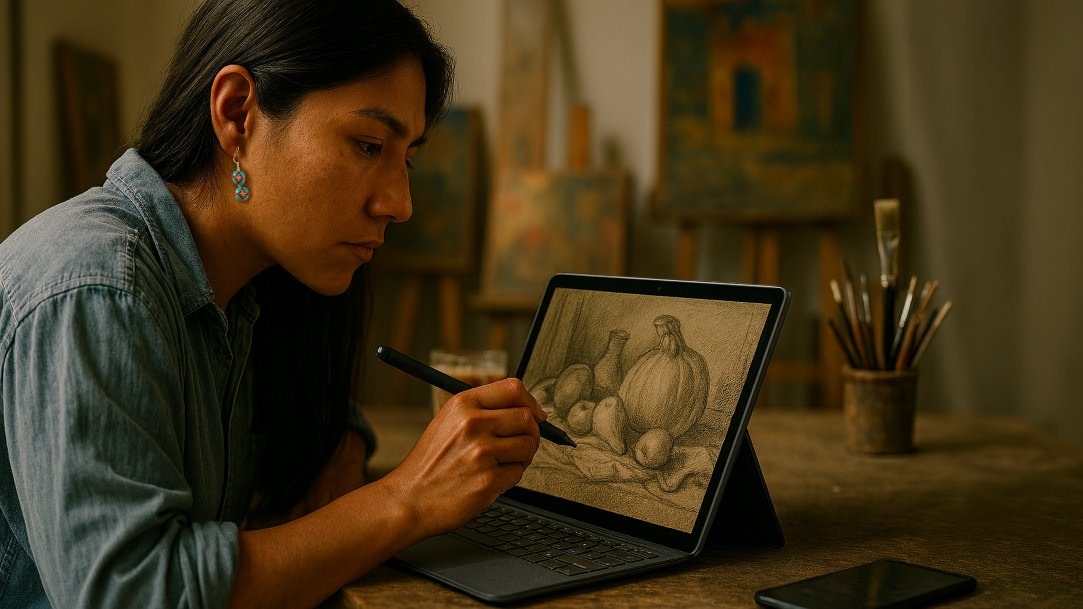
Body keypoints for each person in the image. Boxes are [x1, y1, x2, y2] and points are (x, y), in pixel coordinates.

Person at [0, 0, 546, 607]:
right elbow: (136, 593)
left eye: (407, 158)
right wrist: (405, 499)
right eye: (368, 145)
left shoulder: (250, 287)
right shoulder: (98, 286)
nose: (400, 202)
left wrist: (343, 437)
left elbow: (302, 409)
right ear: (237, 114)